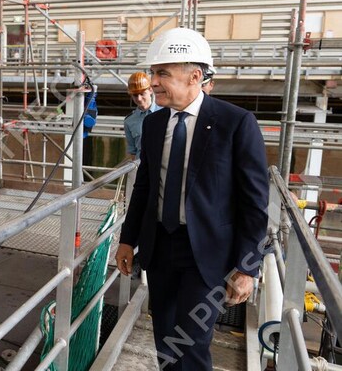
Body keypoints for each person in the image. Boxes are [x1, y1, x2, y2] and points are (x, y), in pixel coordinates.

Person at [114, 28, 268, 370]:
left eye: (163, 74)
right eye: (154, 73)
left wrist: (247, 267)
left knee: (192, 343)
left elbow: (255, 203)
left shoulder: (236, 123)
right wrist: (128, 240)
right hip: (160, 247)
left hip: (208, 254)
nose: (153, 82)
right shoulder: (154, 125)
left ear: (195, 76)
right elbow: (144, 187)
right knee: (165, 340)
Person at [124, 71, 161, 160]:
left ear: (150, 90)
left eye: (142, 93)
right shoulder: (129, 121)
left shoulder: (165, 112)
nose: (139, 99)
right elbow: (132, 152)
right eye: (135, 95)